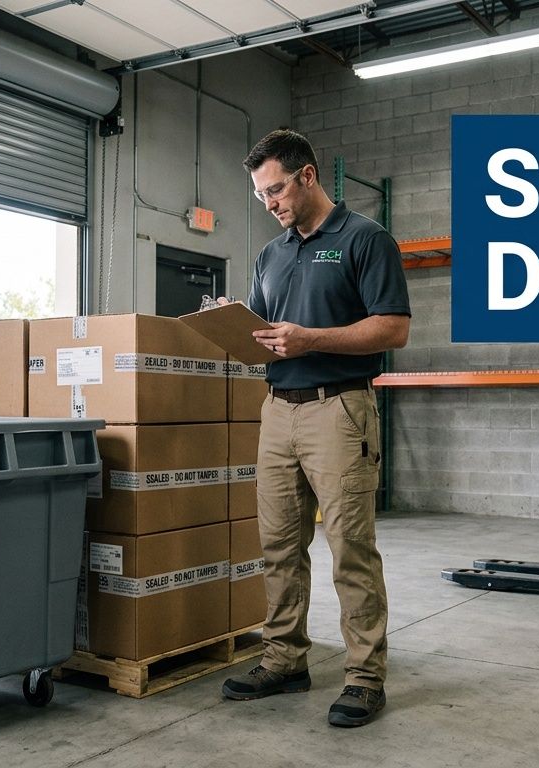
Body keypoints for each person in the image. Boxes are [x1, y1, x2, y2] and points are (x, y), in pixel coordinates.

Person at [220, 129, 410, 728]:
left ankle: (364, 676)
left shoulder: (365, 239)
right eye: (259, 195)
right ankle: (284, 658)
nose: (269, 203)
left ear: (307, 177)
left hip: (340, 408)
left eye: (275, 189)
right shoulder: (271, 254)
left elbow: (392, 329)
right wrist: (230, 326)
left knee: (349, 548)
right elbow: (264, 334)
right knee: (278, 545)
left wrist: (310, 338)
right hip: (278, 408)